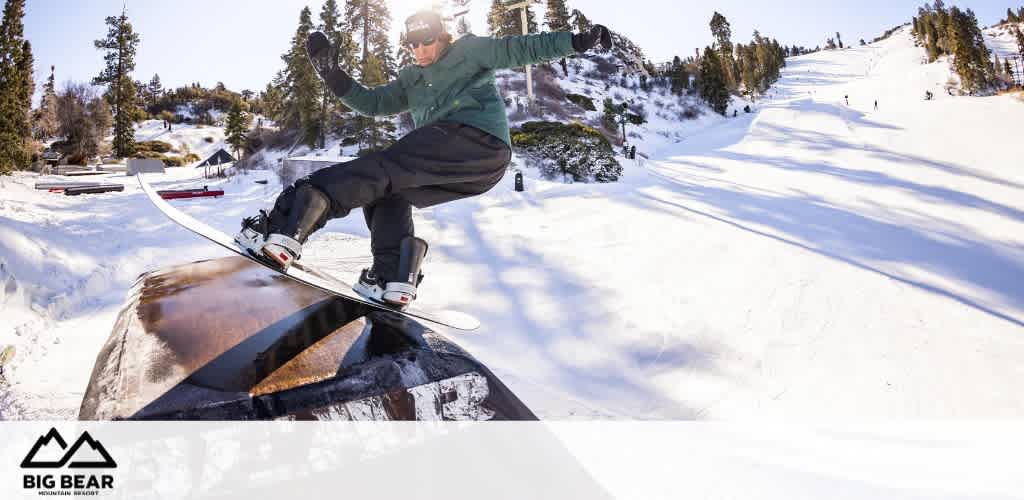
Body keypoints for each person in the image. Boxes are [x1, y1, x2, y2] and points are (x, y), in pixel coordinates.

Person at [235, 10, 613, 307]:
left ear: (442, 36)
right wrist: (332, 75)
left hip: (476, 140)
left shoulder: (468, 51)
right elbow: (374, 103)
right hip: (466, 168)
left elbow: (518, 48)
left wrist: (576, 41)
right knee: (390, 191)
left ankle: (285, 227)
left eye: (427, 42)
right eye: (412, 45)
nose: (420, 52)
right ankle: (392, 277)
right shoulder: (410, 79)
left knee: (383, 166)